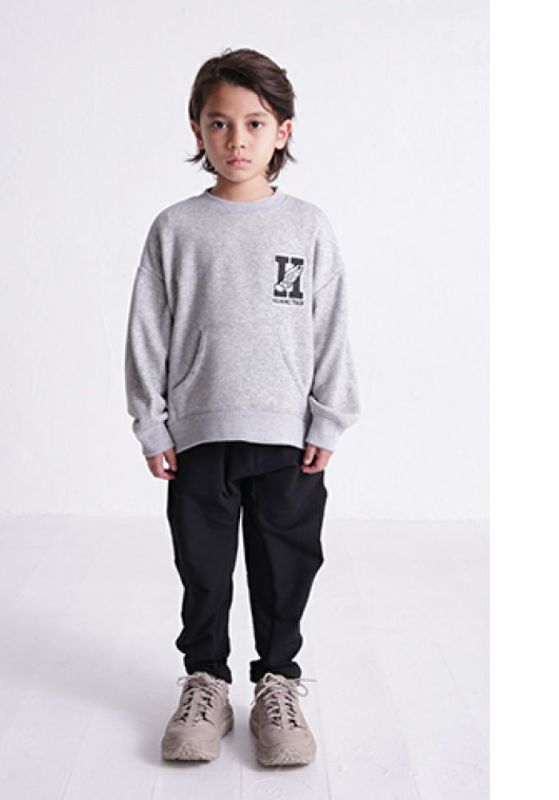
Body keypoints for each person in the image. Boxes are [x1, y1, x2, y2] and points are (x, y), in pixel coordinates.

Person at [123, 47, 361, 766]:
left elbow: (331, 327)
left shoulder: (307, 226)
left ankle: (278, 684)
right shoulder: (176, 228)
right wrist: (150, 421)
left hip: (287, 433)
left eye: (254, 123)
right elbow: (148, 329)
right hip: (199, 432)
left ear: (282, 131)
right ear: (197, 130)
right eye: (219, 123)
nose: (236, 139)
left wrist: (329, 416)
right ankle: (205, 682)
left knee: (286, 563)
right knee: (203, 566)